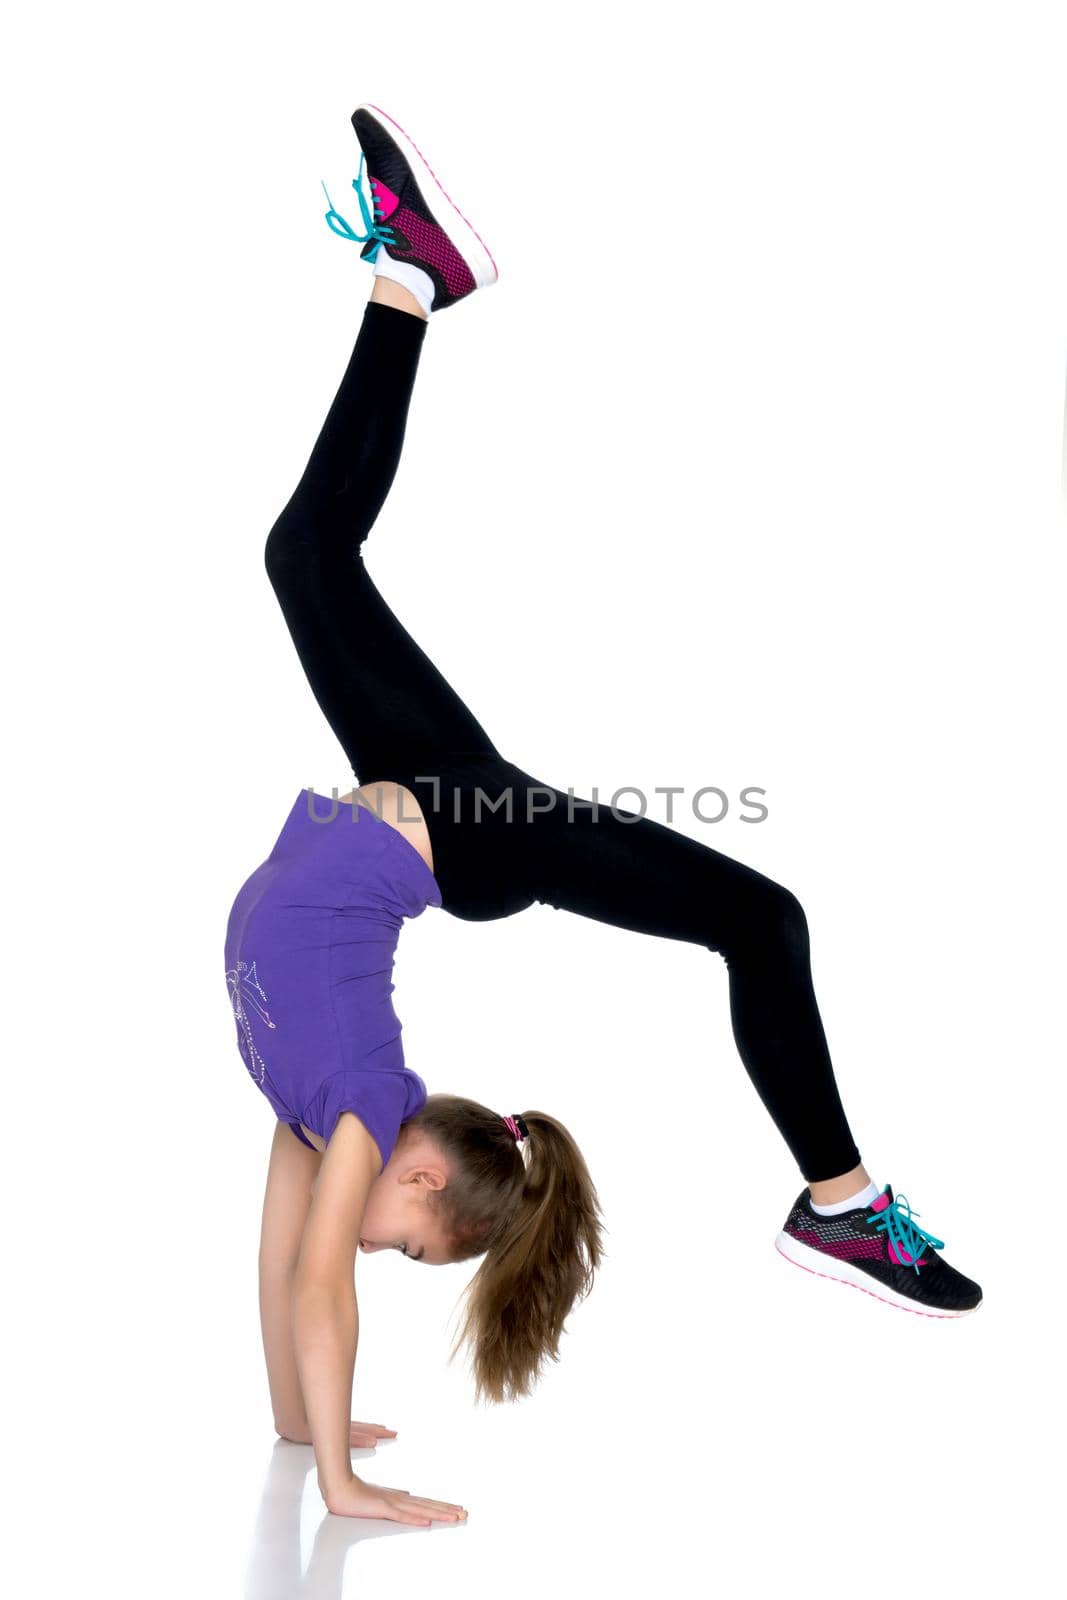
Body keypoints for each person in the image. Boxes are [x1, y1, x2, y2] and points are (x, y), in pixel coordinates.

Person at [224, 102, 983, 1525]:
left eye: (406, 1261)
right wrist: (335, 1482)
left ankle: (416, 275)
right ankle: (843, 1207)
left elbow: (281, 1277)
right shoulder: (358, 1126)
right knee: (761, 919)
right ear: (430, 1167)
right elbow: (320, 1278)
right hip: (467, 833)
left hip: (436, 822)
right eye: (424, 1248)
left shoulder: (305, 1114)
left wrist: (293, 1436)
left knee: (305, 551)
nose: (385, 1253)